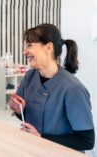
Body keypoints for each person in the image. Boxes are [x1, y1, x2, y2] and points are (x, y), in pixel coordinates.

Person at [10, 23, 95, 151]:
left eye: (29, 45)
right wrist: (19, 110)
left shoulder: (73, 88)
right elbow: (26, 116)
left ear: (48, 48)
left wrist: (41, 137)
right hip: (33, 149)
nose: (24, 52)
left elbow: (86, 141)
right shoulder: (29, 77)